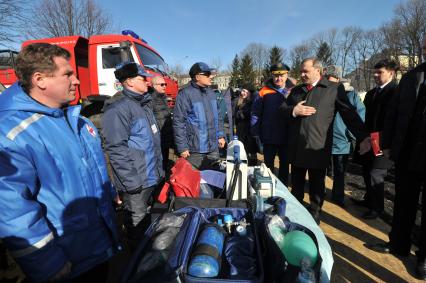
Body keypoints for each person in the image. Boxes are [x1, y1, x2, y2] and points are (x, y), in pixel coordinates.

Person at [0, 43, 120, 283]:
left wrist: (109, 194)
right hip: (64, 264)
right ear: (40, 79)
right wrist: (47, 263)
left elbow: (89, 171)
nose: (76, 81)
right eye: (67, 74)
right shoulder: (12, 133)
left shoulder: (78, 120)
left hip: (95, 248)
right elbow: (11, 210)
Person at [283, 57, 370, 223]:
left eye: (305, 71)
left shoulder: (333, 89)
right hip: (296, 149)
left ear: (318, 70)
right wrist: (293, 110)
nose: (302, 74)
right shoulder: (297, 90)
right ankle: (296, 218)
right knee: (297, 188)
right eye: (301, 71)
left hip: (317, 148)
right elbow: (282, 110)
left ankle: (315, 218)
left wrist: (363, 137)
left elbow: (349, 114)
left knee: (316, 189)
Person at [367, 35, 426, 280]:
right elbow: (393, 114)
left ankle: (423, 257)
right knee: (404, 201)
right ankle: (398, 243)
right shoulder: (411, 77)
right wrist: (388, 145)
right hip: (408, 153)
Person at [102, 62, 164, 247]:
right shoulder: (117, 109)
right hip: (137, 181)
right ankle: (136, 265)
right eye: (142, 78)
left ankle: (146, 254)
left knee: (147, 220)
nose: (148, 81)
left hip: (150, 176)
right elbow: (115, 149)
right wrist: (131, 182)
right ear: (129, 82)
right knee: (137, 225)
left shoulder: (143, 104)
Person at [351, 59, 398, 219]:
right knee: (366, 169)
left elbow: (394, 121)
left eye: (380, 72)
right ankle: (369, 200)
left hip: (384, 141)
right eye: (375, 72)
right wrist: (364, 139)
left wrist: (384, 141)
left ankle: (377, 208)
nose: (376, 75)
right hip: (369, 139)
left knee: (375, 173)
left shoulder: (395, 92)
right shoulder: (371, 94)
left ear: (391, 73)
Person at [326, 66, 366, 208]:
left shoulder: (351, 95)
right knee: (322, 169)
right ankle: (320, 192)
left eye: (333, 79)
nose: (330, 82)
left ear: (338, 79)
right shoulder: (323, 92)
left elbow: (360, 115)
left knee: (340, 170)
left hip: (342, 141)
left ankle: (338, 196)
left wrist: (350, 134)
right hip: (323, 140)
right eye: (327, 79)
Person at [173, 62, 225, 169]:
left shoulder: (211, 94)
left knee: (213, 180)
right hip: (195, 150)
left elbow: (218, 117)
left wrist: (220, 136)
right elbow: (178, 122)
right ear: (197, 77)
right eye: (207, 74)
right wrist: (182, 147)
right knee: (195, 182)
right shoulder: (185, 94)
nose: (211, 76)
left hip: (213, 148)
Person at [251, 63, 293, 186]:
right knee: (268, 165)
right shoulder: (264, 91)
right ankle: (268, 187)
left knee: (285, 165)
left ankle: (283, 188)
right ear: (272, 75)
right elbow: (255, 113)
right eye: (275, 76)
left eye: (282, 75)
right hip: (269, 135)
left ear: (287, 75)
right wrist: (255, 132)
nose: (278, 78)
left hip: (287, 135)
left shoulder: (293, 90)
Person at [149, 75, 174, 172]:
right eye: (162, 84)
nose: (164, 86)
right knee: (161, 163)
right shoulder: (151, 99)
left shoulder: (163, 98)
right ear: (154, 85)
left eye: (165, 84)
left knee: (167, 161)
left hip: (167, 136)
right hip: (159, 138)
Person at [233, 85, 258, 165]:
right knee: (242, 150)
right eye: (242, 91)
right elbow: (235, 116)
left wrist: (242, 113)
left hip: (250, 131)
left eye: (245, 91)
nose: (243, 93)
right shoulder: (238, 101)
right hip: (240, 130)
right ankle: (243, 167)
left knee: (252, 151)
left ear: (250, 93)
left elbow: (252, 114)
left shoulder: (253, 102)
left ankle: (252, 167)